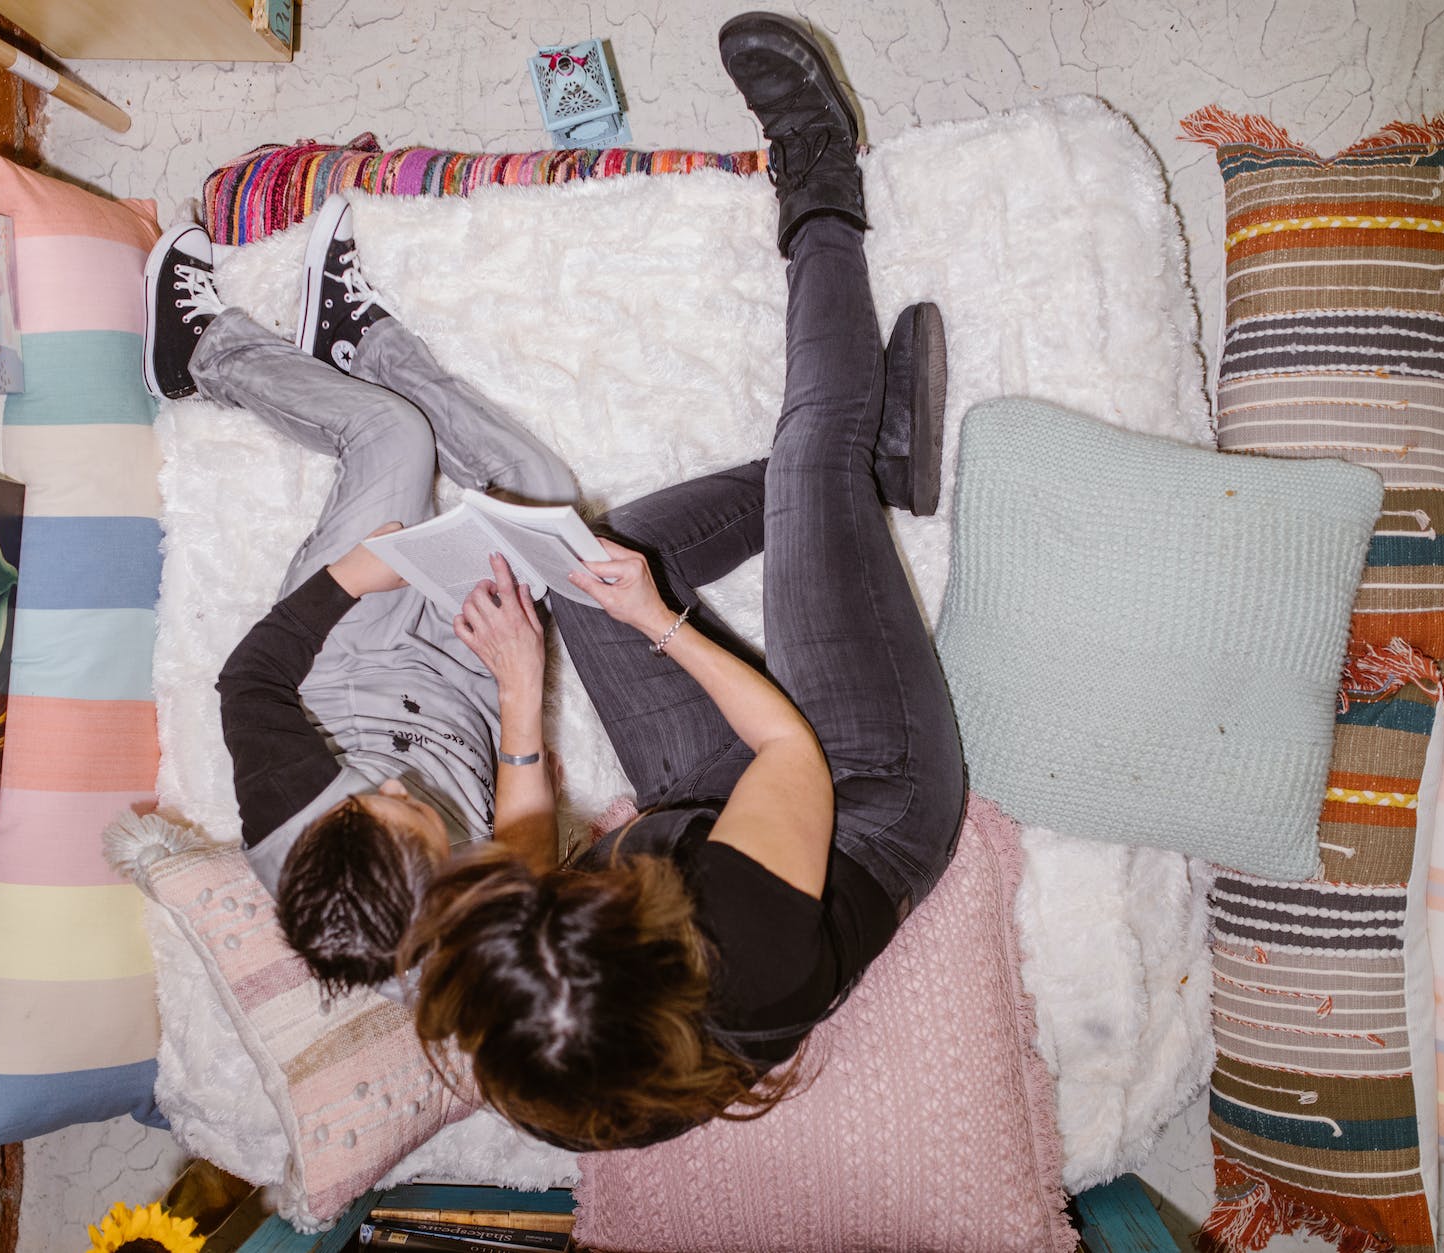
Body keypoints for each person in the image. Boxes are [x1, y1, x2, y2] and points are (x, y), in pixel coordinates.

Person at [403, 11, 966, 1151]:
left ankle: (874, 460)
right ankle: (821, 179)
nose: (544, 873)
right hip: (860, 793)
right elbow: (786, 754)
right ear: (636, 934)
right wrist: (661, 628)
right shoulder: (747, 945)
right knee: (806, 445)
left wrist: (522, 688)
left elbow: (521, 884)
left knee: (585, 573)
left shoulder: (547, 1045)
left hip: (698, 818)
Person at [140, 195, 576, 994]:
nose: (388, 783)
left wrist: (353, 577)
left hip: (346, 655)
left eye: (365, 798)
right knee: (543, 494)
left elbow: (250, 678)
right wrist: (519, 691)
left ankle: (200, 352)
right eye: (410, 812)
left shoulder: (288, 814)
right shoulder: (476, 950)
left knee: (394, 436)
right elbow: (529, 859)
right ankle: (358, 341)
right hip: (471, 690)